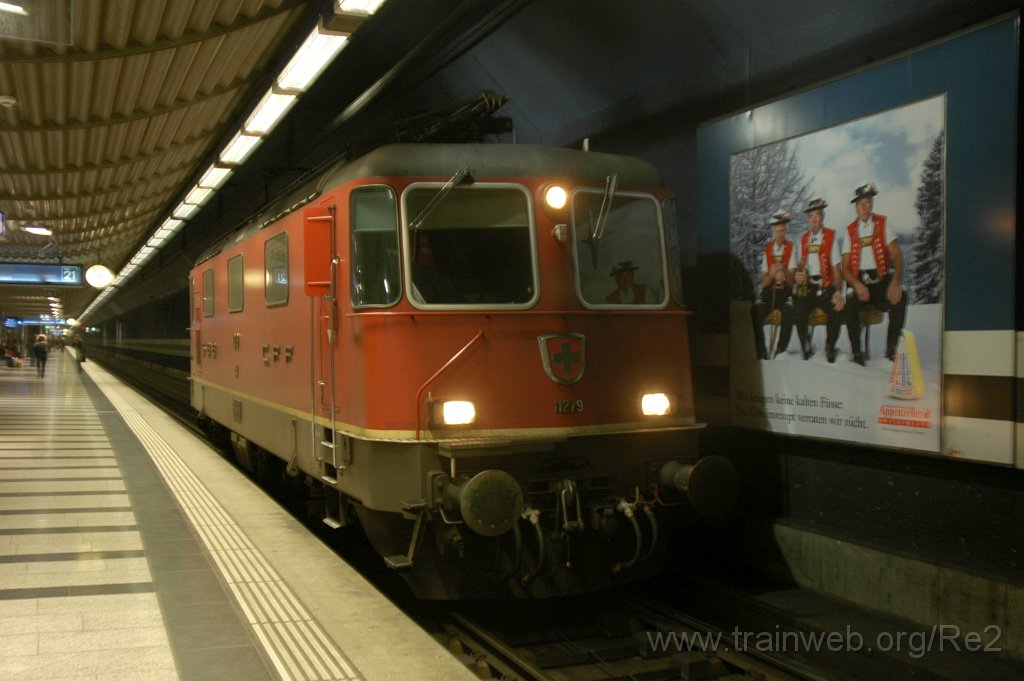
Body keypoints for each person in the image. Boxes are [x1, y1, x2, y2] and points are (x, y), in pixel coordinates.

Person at [841, 182, 907, 365]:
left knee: (901, 298)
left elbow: (897, 256)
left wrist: (895, 282)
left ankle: (891, 351)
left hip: (880, 281)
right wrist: (856, 284)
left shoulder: (883, 223)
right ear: (856, 207)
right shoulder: (849, 230)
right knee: (850, 305)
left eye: (868, 202)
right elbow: (845, 268)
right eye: (861, 203)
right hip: (858, 281)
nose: (865, 206)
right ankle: (857, 353)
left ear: (872, 204)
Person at [793, 198, 846, 362]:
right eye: (811, 216)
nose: (814, 220)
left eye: (817, 215)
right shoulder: (803, 240)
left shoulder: (831, 235)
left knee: (837, 308)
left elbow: (837, 270)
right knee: (798, 306)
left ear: (822, 217)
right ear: (807, 219)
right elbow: (798, 269)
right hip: (808, 288)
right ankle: (805, 346)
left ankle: (830, 347)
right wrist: (797, 276)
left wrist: (837, 291)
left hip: (826, 287)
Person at [749, 210, 798, 360]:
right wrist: (771, 274)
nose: (780, 235)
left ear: (786, 231)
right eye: (777, 231)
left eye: (782, 231)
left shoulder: (792, 247)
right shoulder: (767, 249)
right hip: (769, 292)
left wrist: (782, 268)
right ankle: (761, 350)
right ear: (772, 231)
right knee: (755, 311)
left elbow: (791, 281)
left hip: (785, 292)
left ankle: (780, 351)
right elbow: (764, 283)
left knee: (789, 310)